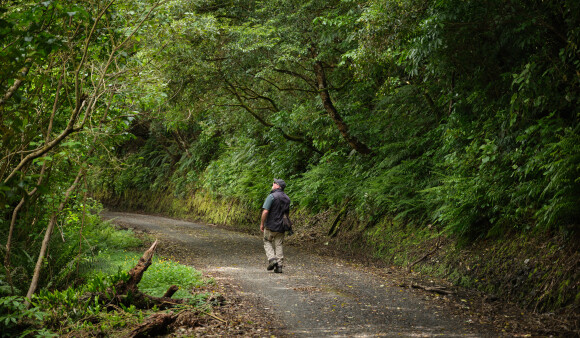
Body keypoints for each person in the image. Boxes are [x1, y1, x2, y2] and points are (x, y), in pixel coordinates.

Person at [260, 178, 291, 273]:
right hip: (282, 225)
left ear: (278, 186)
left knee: (267, 241)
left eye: (274, 183)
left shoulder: (272, 196)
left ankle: (272, 260)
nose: (273, 184)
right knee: (279, 244)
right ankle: (279, 266)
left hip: (271, 225)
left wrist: (262, 223)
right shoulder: (287, 198)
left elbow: (265, 211)